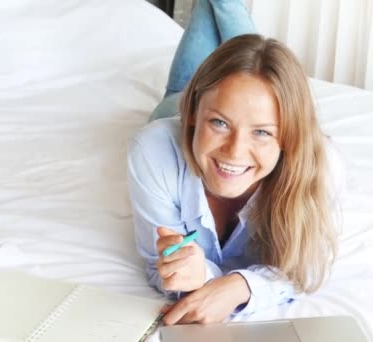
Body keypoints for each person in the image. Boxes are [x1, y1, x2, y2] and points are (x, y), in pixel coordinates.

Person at [127, 0, 344, 325]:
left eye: (261, 132)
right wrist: (189, 274)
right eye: (220, 123)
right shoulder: (154, 149)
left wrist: (239, 286)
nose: (234, 152)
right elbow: (156, 265)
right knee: (243, 61)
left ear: (287, 136)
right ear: (194, 116)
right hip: (177, 99)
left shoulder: (322, 167)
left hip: (210, 95)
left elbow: (307, 267)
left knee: (253, 59)